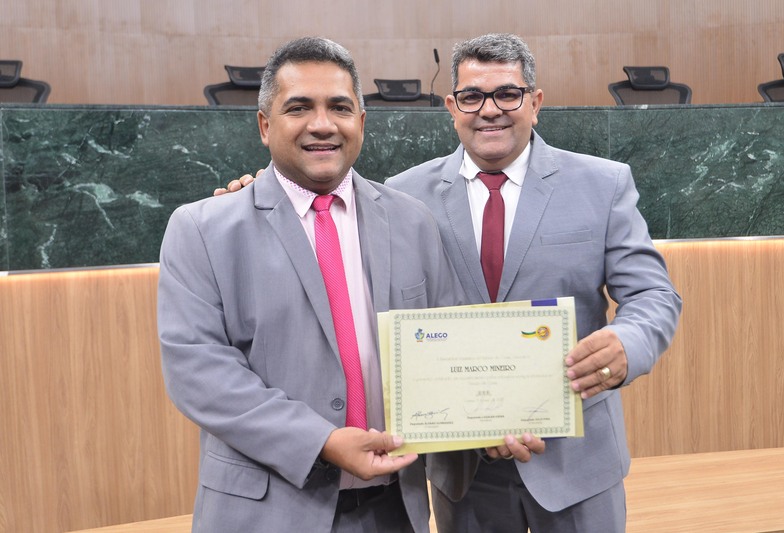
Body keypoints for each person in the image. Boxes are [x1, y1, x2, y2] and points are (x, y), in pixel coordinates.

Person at [219, 33, 681, 533]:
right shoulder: (400, 197)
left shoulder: (603, 183)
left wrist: (628, 343)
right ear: (451, 106)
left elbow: (653, 294)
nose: (490, 110)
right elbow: (315, 209)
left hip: (577, 465)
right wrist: (256, 197)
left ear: (535, 103)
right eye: (472, 96)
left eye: (508, 94)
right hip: (462, 470)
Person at [158, 36, 475, 533]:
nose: (322, 124)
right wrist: (321, 441)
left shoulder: (413, 222)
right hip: (265, 512)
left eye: (340, 107)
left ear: (361, 122)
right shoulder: (202, 229)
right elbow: (199, 372)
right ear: (265, 125)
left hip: (394, 509)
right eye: (299, 107)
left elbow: (453, 346)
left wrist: (498, 418)